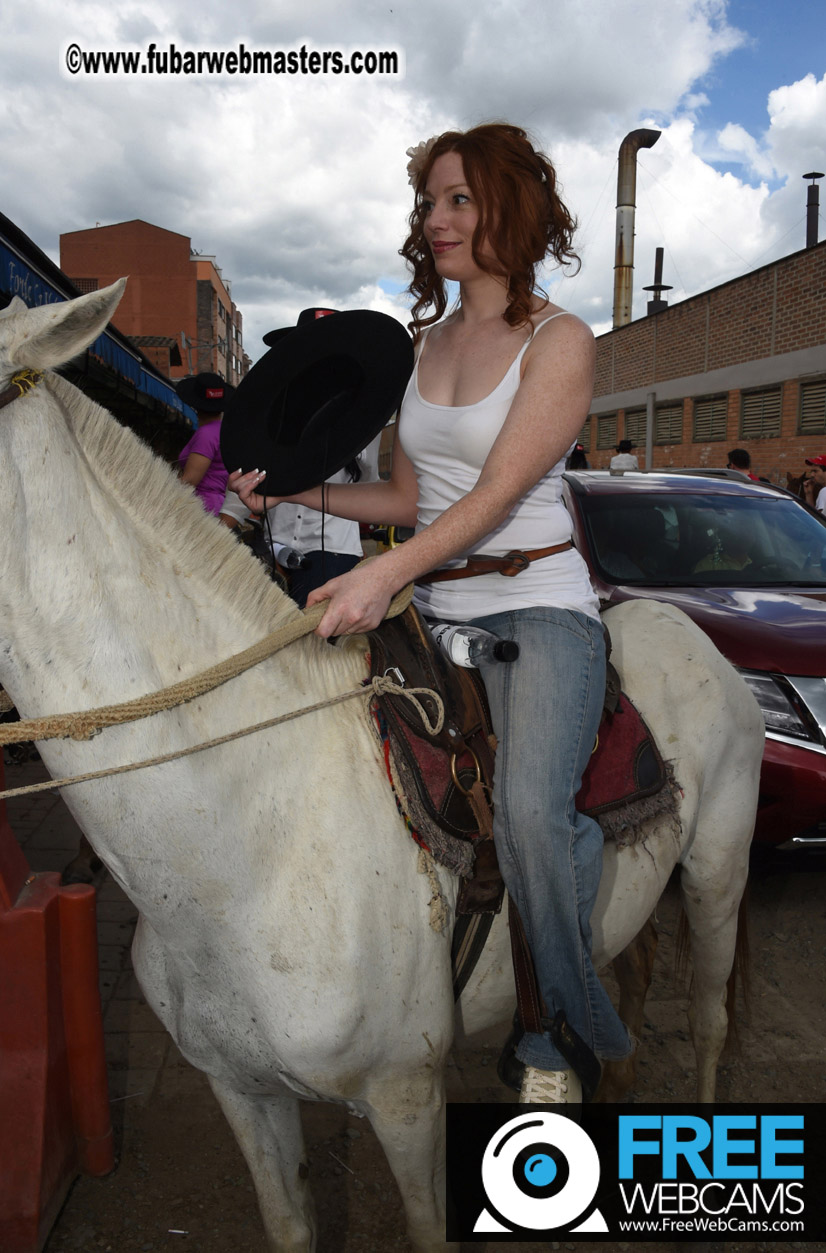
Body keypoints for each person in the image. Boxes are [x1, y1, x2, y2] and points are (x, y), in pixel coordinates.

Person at [230, 123, 632, 1105]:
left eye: (459, 198)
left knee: (534, 815)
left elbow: (494, 492)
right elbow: (412, 499)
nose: (436, 218)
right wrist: (293, 496)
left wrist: (381, 576)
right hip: (440, 599)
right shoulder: (419, 347)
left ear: (513, 209)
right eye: (430, 201)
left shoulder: (561, 339)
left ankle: (559, 1034)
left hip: (539, 603)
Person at [219, 438, 381, 607]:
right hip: (273, 546)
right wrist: (213, 537)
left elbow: (369, 482)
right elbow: (249, 478)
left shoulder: (359, 421)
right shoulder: (271, 421)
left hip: (331, 547)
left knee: (310, 624)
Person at [175, 373, 234, 514]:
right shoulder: (222, 431)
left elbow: (190, 480)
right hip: (214, 505)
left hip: (199, 508)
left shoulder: (206, 434)